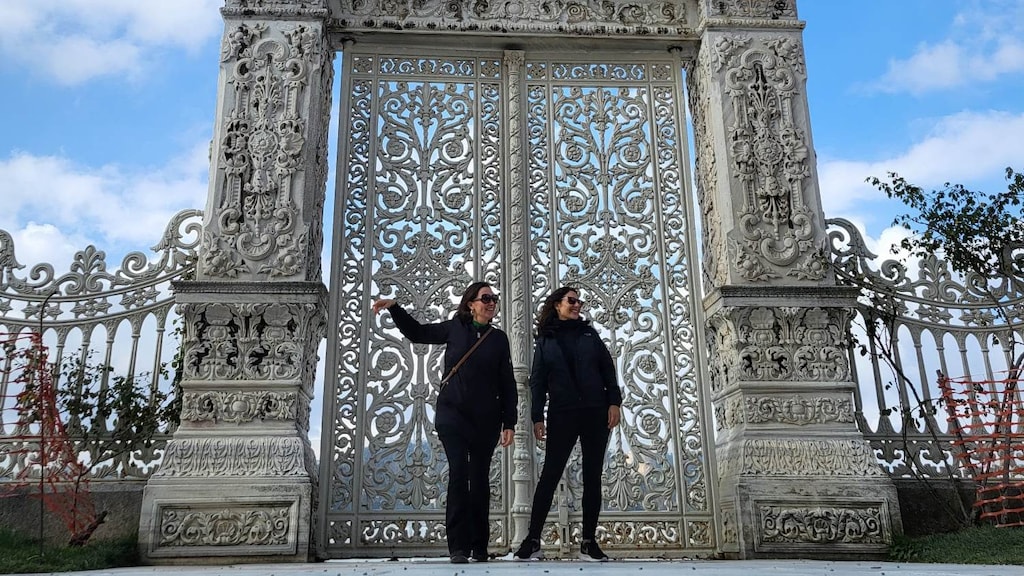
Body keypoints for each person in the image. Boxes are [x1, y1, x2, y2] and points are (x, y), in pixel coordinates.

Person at [372, 282, 517, 564]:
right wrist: (395, 308)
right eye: (485, 298)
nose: (491, 303)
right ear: (470, 304)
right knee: (459, 474)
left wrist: (509, 421)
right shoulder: (455, 328)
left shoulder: (499, 339)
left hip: (486, 419)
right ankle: (458, 547)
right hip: (453, 415)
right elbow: (418, 333)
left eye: (494, 298)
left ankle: (479, 546)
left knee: (480, 479)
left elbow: (507, 382)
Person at [513, 286, 622, 562]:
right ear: (557, 305)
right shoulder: (546, 340)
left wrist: (614, 402)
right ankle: (532, 540)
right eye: (571, 301)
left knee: (593, 475)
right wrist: (537, 416)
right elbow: (538, 381)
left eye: (579, 301)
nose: (577, 305)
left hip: (595, 411)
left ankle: (588, 542)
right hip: (563, 413)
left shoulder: (589, 334)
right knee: (550, 475)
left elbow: (607, 369)